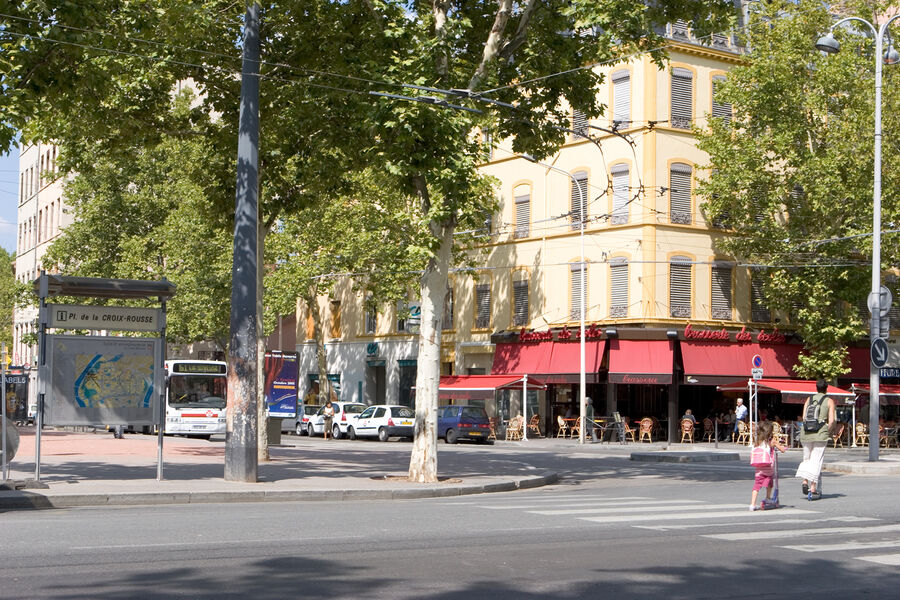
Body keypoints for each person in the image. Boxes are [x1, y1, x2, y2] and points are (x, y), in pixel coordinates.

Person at [796, 379, 836, 500]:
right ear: (826, 388)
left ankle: (804, 481)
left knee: (806, 458)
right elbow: (832, 420)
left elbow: (804, 417)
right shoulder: (829, 401)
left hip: (806, 432)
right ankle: (813, 487)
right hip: (820, 433)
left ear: (816, 388)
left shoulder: (809, 399)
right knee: (816, 460)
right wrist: (827, 431)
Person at [749, 420, 785, 511]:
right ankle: (768, 498)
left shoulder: (757, 441)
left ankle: (752, 504)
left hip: (758, 469)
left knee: (756, 486)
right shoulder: (771, 441)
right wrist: (782, 446)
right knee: (769, 483)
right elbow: (782, 450)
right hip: (768, 468)